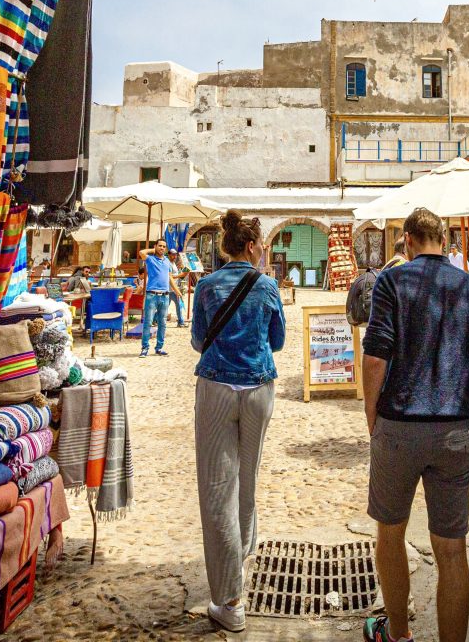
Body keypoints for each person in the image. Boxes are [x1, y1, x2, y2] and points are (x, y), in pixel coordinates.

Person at [362, 207, 469, 642]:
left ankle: (400, 635)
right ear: (443, 241)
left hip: (400, 426)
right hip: (453, 432)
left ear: (407, 240)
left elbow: (375, 358)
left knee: (390, 534)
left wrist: (372, 416)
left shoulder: (392, 282)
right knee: (451, 548)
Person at [192, 211, 286, 633]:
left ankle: (230, 600)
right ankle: (241, 555)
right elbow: (278, 341)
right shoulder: (267, 287)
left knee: (217, 489)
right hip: (259, 388)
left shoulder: (207, 286)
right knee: (247, 478)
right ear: (251, 247)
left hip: (216, 387)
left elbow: (197, 339)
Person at [138, 240, 176, 357]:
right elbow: (141, 252)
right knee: (148, 323)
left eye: (164, 246)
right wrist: (152, 250)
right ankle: (145, 348)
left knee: (162, 323)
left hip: (165, 295)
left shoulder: (167, 262)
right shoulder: (150, 259)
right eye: (160, 246)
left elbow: (170, 277)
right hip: (152, 295)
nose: (162, 248)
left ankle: (159, 348)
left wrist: (176, 290)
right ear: (155, 247)